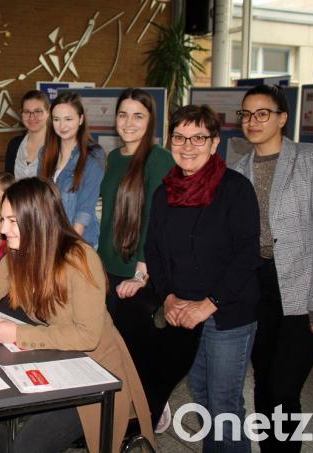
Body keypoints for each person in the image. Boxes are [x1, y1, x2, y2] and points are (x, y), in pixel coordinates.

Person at [0, 178, 154, 453]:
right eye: (4, 219)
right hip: (53, 357)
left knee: (27, 445)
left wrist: (18, 334)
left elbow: (87, 335)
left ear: (37, 220)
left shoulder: (79, 258)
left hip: (94, 372)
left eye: (12, 220)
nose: (4, 230)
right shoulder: (19, 252)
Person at [230, 84, 313, 452]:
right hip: (256, 288)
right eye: (246, 114)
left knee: (283, 387)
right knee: (262, 382)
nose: (253, 121)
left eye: (263, 113)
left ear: (282, 118)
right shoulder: (237, 168)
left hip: (302, 290)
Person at [145, 105, 261, 452]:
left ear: (214, 144)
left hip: (227, 313)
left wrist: (207, 306)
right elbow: (154, 251)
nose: (188, 145)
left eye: (199, 138)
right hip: (182, 313)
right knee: (203, 397)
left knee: (224, 403)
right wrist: (168, 298)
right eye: (180, 137)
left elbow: (246, 255)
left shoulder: (235, 189)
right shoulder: (165, 192)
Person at [96, 88, 175, 432]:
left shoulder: (160, 160)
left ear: (151, 120)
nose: (129, 122)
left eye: (138, 115)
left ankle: (147, 411)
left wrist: (141, 274)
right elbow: (109, 215)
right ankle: (119, 411)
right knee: (112, 347)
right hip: (109, 267)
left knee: (136, 350)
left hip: (137, 273)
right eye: (123, 115)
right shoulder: (113, 158)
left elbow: (156, 222)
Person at [39, 92, 104, 247]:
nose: (62, 126)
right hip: (49, 238)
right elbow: (40, 198)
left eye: (68, 119)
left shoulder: (93, 154)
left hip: (78, 241)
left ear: (80, 119)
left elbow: (85, 210)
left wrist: (66, 246)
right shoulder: (45, 152)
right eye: (56, 119)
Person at [4, 90, 49, 179]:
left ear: (48, 112)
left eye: (38, 111)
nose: (32, 117)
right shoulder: (14, 144)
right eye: (27, 111)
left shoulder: (58, 144)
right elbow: (8, 182)